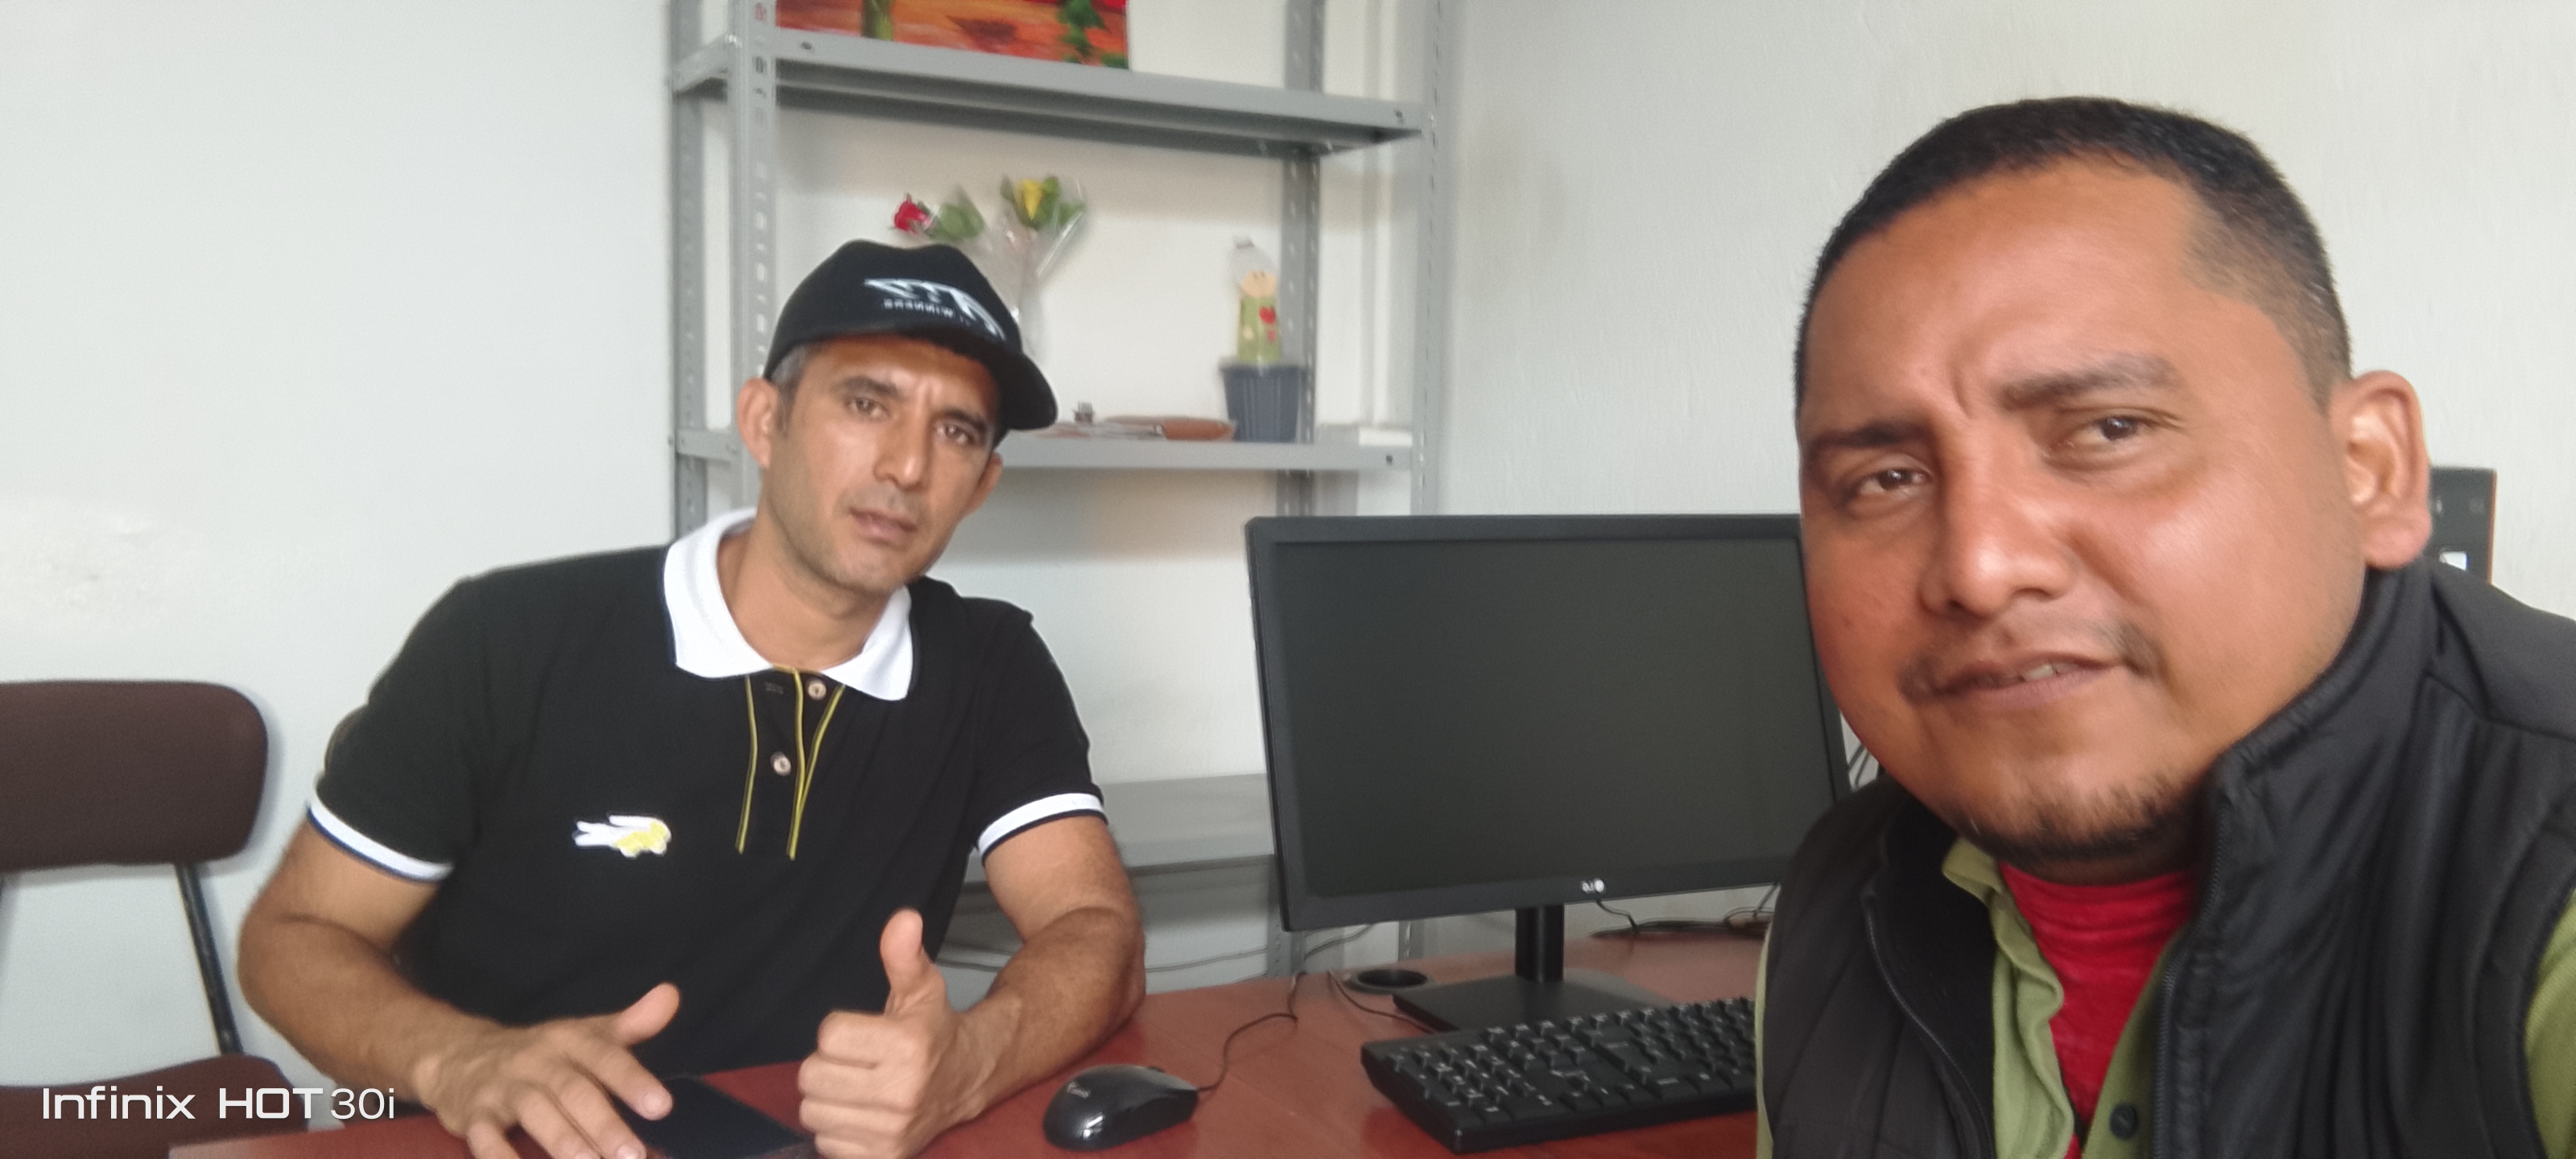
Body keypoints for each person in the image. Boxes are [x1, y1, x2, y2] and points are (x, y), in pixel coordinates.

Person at [1761, 97, 2576, 1159]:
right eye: (1887, 479)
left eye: (2107, 430)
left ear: (2368, 469)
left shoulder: (2546, 877)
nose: (1979, 568)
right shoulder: (1834, 904)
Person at [238, 241, 1146, 1159]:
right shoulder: (506, 638)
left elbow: (1093, 928)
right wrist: (455, 1057)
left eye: (955, 432)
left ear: (982, 484)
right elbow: (293, 937)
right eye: (865, 403)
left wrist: (975, 1059)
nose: (907, 466)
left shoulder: (990, 665)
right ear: (765, 421)